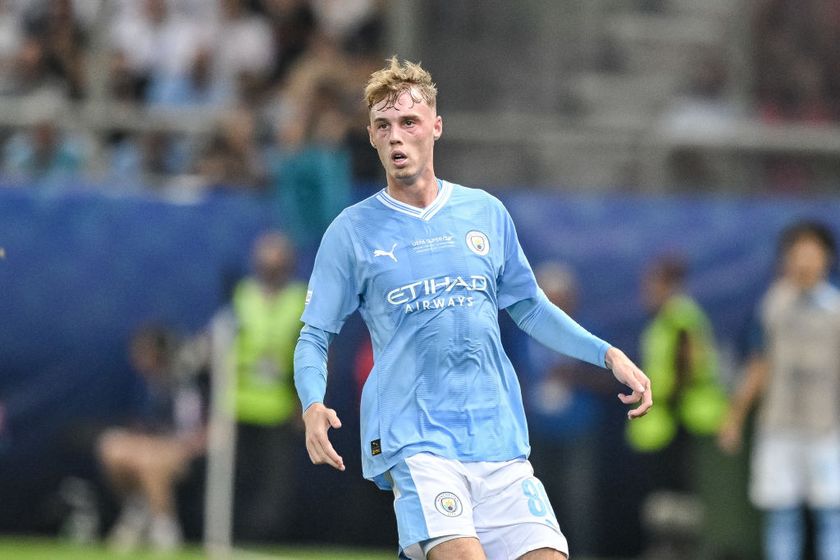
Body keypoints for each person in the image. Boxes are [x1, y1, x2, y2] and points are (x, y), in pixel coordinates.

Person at [293, 57, 653, 560]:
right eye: (383, 126)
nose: (396, 136)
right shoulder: (352, 232)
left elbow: (529, 308)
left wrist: (606, 354)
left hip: (496, 435)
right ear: (372, 138)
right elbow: (314, 336)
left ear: (435, 127)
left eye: (409, 122)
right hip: (415, 438)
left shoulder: (485, 213)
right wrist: (312, 403)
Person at [719, 221, 840, 560]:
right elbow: (759, 365)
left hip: (826, 427)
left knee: (831, 514)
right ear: (787, 260)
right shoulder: (773, 306)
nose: (804, 262)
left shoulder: (836, 310)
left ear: (825, 259)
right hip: (779, 426)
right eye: (797, 254)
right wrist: (734, 416)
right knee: (781, 514)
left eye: (811, 254)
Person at [97, 325, 205, 553]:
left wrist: (168, 446)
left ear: (158, 353)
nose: (137, 357)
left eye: (143, 351)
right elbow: (139, 426)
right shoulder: (142, 385)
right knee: (111, 446)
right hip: (151, 446)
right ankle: (138, 507)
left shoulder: (182, 382)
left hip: (182, 452)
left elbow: (190, 430)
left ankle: (164, 528)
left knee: (150, 460)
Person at [230, 231, 307, 543]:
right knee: (238, 480)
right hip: (237, 404)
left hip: (278, 406)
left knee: (275, 486)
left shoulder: (298, 297)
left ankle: (265, 541)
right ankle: (235, 539)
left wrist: (307, 403)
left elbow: (313, 351)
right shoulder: (242, 293)